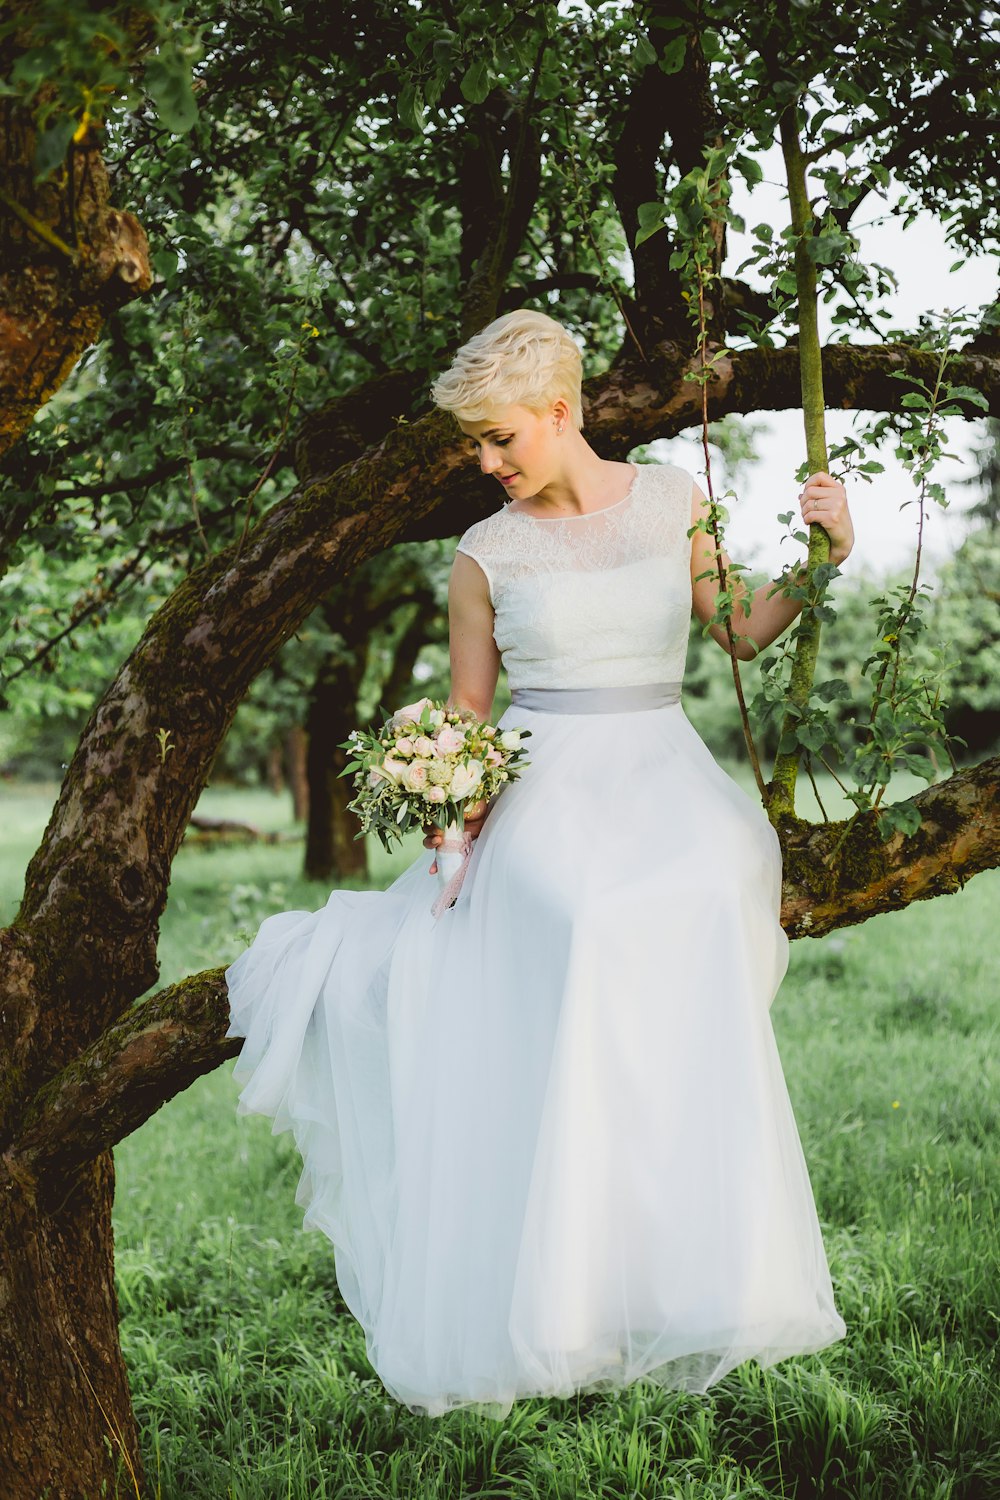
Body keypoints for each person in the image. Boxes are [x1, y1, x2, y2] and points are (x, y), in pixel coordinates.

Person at [225, 308, 851, 1420]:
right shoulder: (484, 554)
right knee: (582, 917)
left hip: (664, 769)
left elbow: (742, 633)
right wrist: (443, 808)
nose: (485, 463)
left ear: (559, 414)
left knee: (704, 896)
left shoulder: (672, 500)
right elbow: (469, 715)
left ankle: (688, 1251)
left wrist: (825, 555)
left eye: (498, 439)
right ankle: (564, 1287)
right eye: (476, 444)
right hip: (544, 776)